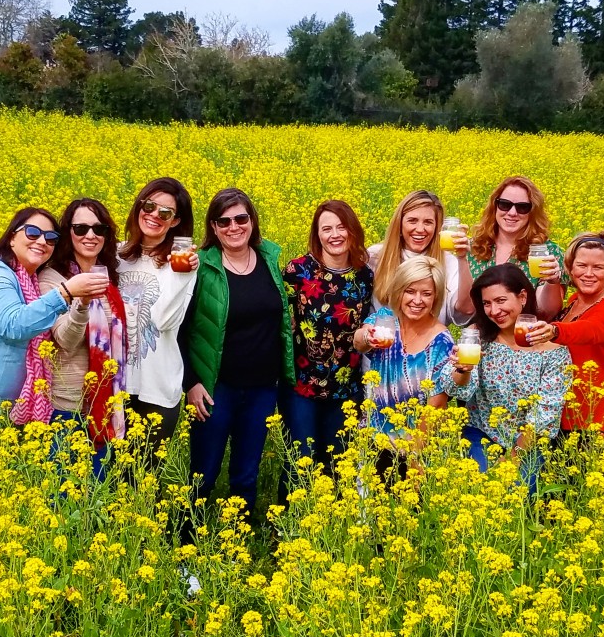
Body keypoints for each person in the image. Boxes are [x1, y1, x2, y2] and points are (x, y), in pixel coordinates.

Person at [181, 187, 294, 523]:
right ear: (213, 227)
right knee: (205, 470)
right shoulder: (200, 268)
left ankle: (238, 543)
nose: (234, 227)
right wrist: (191, 382)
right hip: (216, 389)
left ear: (252, 221)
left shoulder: (272, 261)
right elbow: (181, 330)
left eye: (241, 218)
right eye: (224, 221)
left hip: (262, 389)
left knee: (246, 473)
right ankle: (189, 543)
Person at [0, 208, 108, 435]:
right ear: (12, 236)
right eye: (32, 233)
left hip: (14, 410)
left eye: (51, 238)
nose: (42, 241)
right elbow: (14, 325)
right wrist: (65, 293)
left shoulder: (28, 280)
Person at [441, 264, 571, 493]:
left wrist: (511, 460)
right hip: (479, 433)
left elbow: (544, 417)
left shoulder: (554, 354)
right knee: (480, 491)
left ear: (522, 297)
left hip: (528, 443)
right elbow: (454, 388)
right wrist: (462, 370)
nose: (494, 310)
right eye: (487, 303)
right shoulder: (478, 337)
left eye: (501, 300)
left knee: (517, 495)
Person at [279, 200, 373, 501]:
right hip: (301, 386)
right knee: (300, 462)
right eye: (326, 228)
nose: (335, 234)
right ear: (316, 234)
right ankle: (288, 531)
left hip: (346, 388)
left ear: (352, 230)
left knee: (338, 464)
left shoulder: (364, 275)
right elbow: (282, 323)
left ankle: (332, 535)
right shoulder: (298, 271)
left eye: (341, 227)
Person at [39, 198, 127, 479]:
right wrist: (82, 302)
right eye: (80, 228)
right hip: (66, 407)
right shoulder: (53, 280)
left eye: (98, 229)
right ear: (68, 233)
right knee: (63, 500)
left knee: (97, 497)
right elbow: (64, 339)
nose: (90, 235)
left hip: (103, 408)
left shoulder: (109, 276)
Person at [525, 231, 604, 440]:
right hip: (568, 421)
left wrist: (555, 330)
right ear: (570, 268)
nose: (589, 273)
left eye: (598, 267)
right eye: (582, 265)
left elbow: (588, 330)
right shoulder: (573, 301)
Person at [117, 177, 197, 454]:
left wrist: (181, 275)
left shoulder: (181, 263)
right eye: (148, 206)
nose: (154, 216)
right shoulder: (114, 256)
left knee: (142, 484)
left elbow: (164, 321)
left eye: (165, 213)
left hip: (157, 390)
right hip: (112, 386)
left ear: (175, 221)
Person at [354, 257, 453, 475]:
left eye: (426, 293)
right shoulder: (385, 320)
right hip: (374, 440)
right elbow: (359, 341)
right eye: (410, 291)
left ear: (436, 297)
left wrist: (415, 461)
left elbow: (435, 406)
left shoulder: (441, 342)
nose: (417, 300)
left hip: (417, 446)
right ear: (399, 291)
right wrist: (366, 337)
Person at [465, 176, 566, 319]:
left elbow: (546, 312)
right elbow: (463, 307)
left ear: (532, 212)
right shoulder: (473, 247)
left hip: (525, 336)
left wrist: (552, 281)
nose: (512, 213)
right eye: (505, 205)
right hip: (479, 335)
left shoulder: (547, 252)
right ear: (495, 206)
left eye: (522, 207)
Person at [367, 190, 473, 326]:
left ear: (438, 228)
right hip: (383, 344)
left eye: (428, 222)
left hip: (430, 345)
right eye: (412, 221)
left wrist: (462, 258)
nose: (420, 229)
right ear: (399, 224)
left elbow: (467, 308)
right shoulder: (376, 257)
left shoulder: (448, 262)